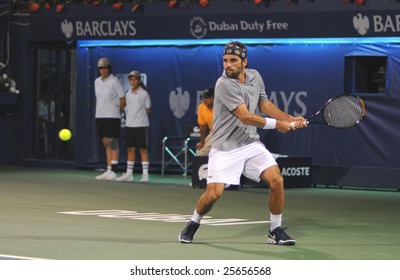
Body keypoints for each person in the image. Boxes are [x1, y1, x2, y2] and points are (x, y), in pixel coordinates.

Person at [178, 41, 307, 245]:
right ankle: (194, 222)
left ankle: (275, 230)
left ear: (244, 62)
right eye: (225, 61)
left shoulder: (255, 77)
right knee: (214, 194)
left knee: (276, 180)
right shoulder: (224, 84)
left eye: (233, 60)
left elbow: (264, 104)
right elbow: (245, 117)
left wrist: (289, 118)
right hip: (224, 149)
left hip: (250, 144)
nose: (228, 65)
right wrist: (278, 124)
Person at [116, 70, 151, 183]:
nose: (133, 81)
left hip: (141, 125)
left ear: (139, 81)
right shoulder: (127, 93)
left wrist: (140, 117)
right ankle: (129, 174)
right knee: (130, 149)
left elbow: (148, 110)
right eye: (131, 79)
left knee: (143, 150)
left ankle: (145, 174)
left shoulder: (144, 94)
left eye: (135, 79)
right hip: (129, 125)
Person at [94, 57, 126, 181]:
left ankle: (114, 170)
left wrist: (119, 111)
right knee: (106, 143)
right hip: (100, 115)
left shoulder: (115, 81)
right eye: (100, 68)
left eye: (105, 68)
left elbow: (122, 99)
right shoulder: (97, 81)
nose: (103, 70)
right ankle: (108, 169)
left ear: (109, 68)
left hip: (112, 116)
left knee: (113, 143)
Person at [196, 87, 214, 156]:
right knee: (200, 152)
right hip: (213, 134)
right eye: (203, 97)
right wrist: (202, 142)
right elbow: (202, 126)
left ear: (214, 97)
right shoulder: (201, 107)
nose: (205, 100)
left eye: (207, 97)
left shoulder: (220, 106)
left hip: (225, 134)